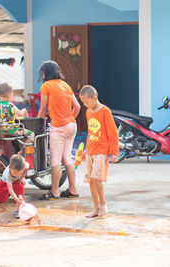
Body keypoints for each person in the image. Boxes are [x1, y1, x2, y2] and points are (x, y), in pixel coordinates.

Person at [37, 60, 81, 200]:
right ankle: (73, 189)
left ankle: (55, 192)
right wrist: (69, 119)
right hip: (72, 126)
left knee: (56, 159)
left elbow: (43, 110)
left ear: (45, 73)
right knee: (67, 158)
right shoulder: (65, 85)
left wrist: (36, 125)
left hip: (59, 127)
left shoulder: (46, 86)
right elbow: (78, 106)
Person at [78, 85, 119, 217]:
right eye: (83, 102)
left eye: (87, 102)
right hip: (91, 150)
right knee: (90, 179)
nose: (85, 105)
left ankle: (103, 204)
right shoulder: (88, 112)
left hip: (102, 150)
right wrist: (85, 150)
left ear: (95, 98)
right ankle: (96, 208)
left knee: (96, 178)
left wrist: (115, 152)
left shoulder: (105, 111)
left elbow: (113, 133)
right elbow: (91, 133)